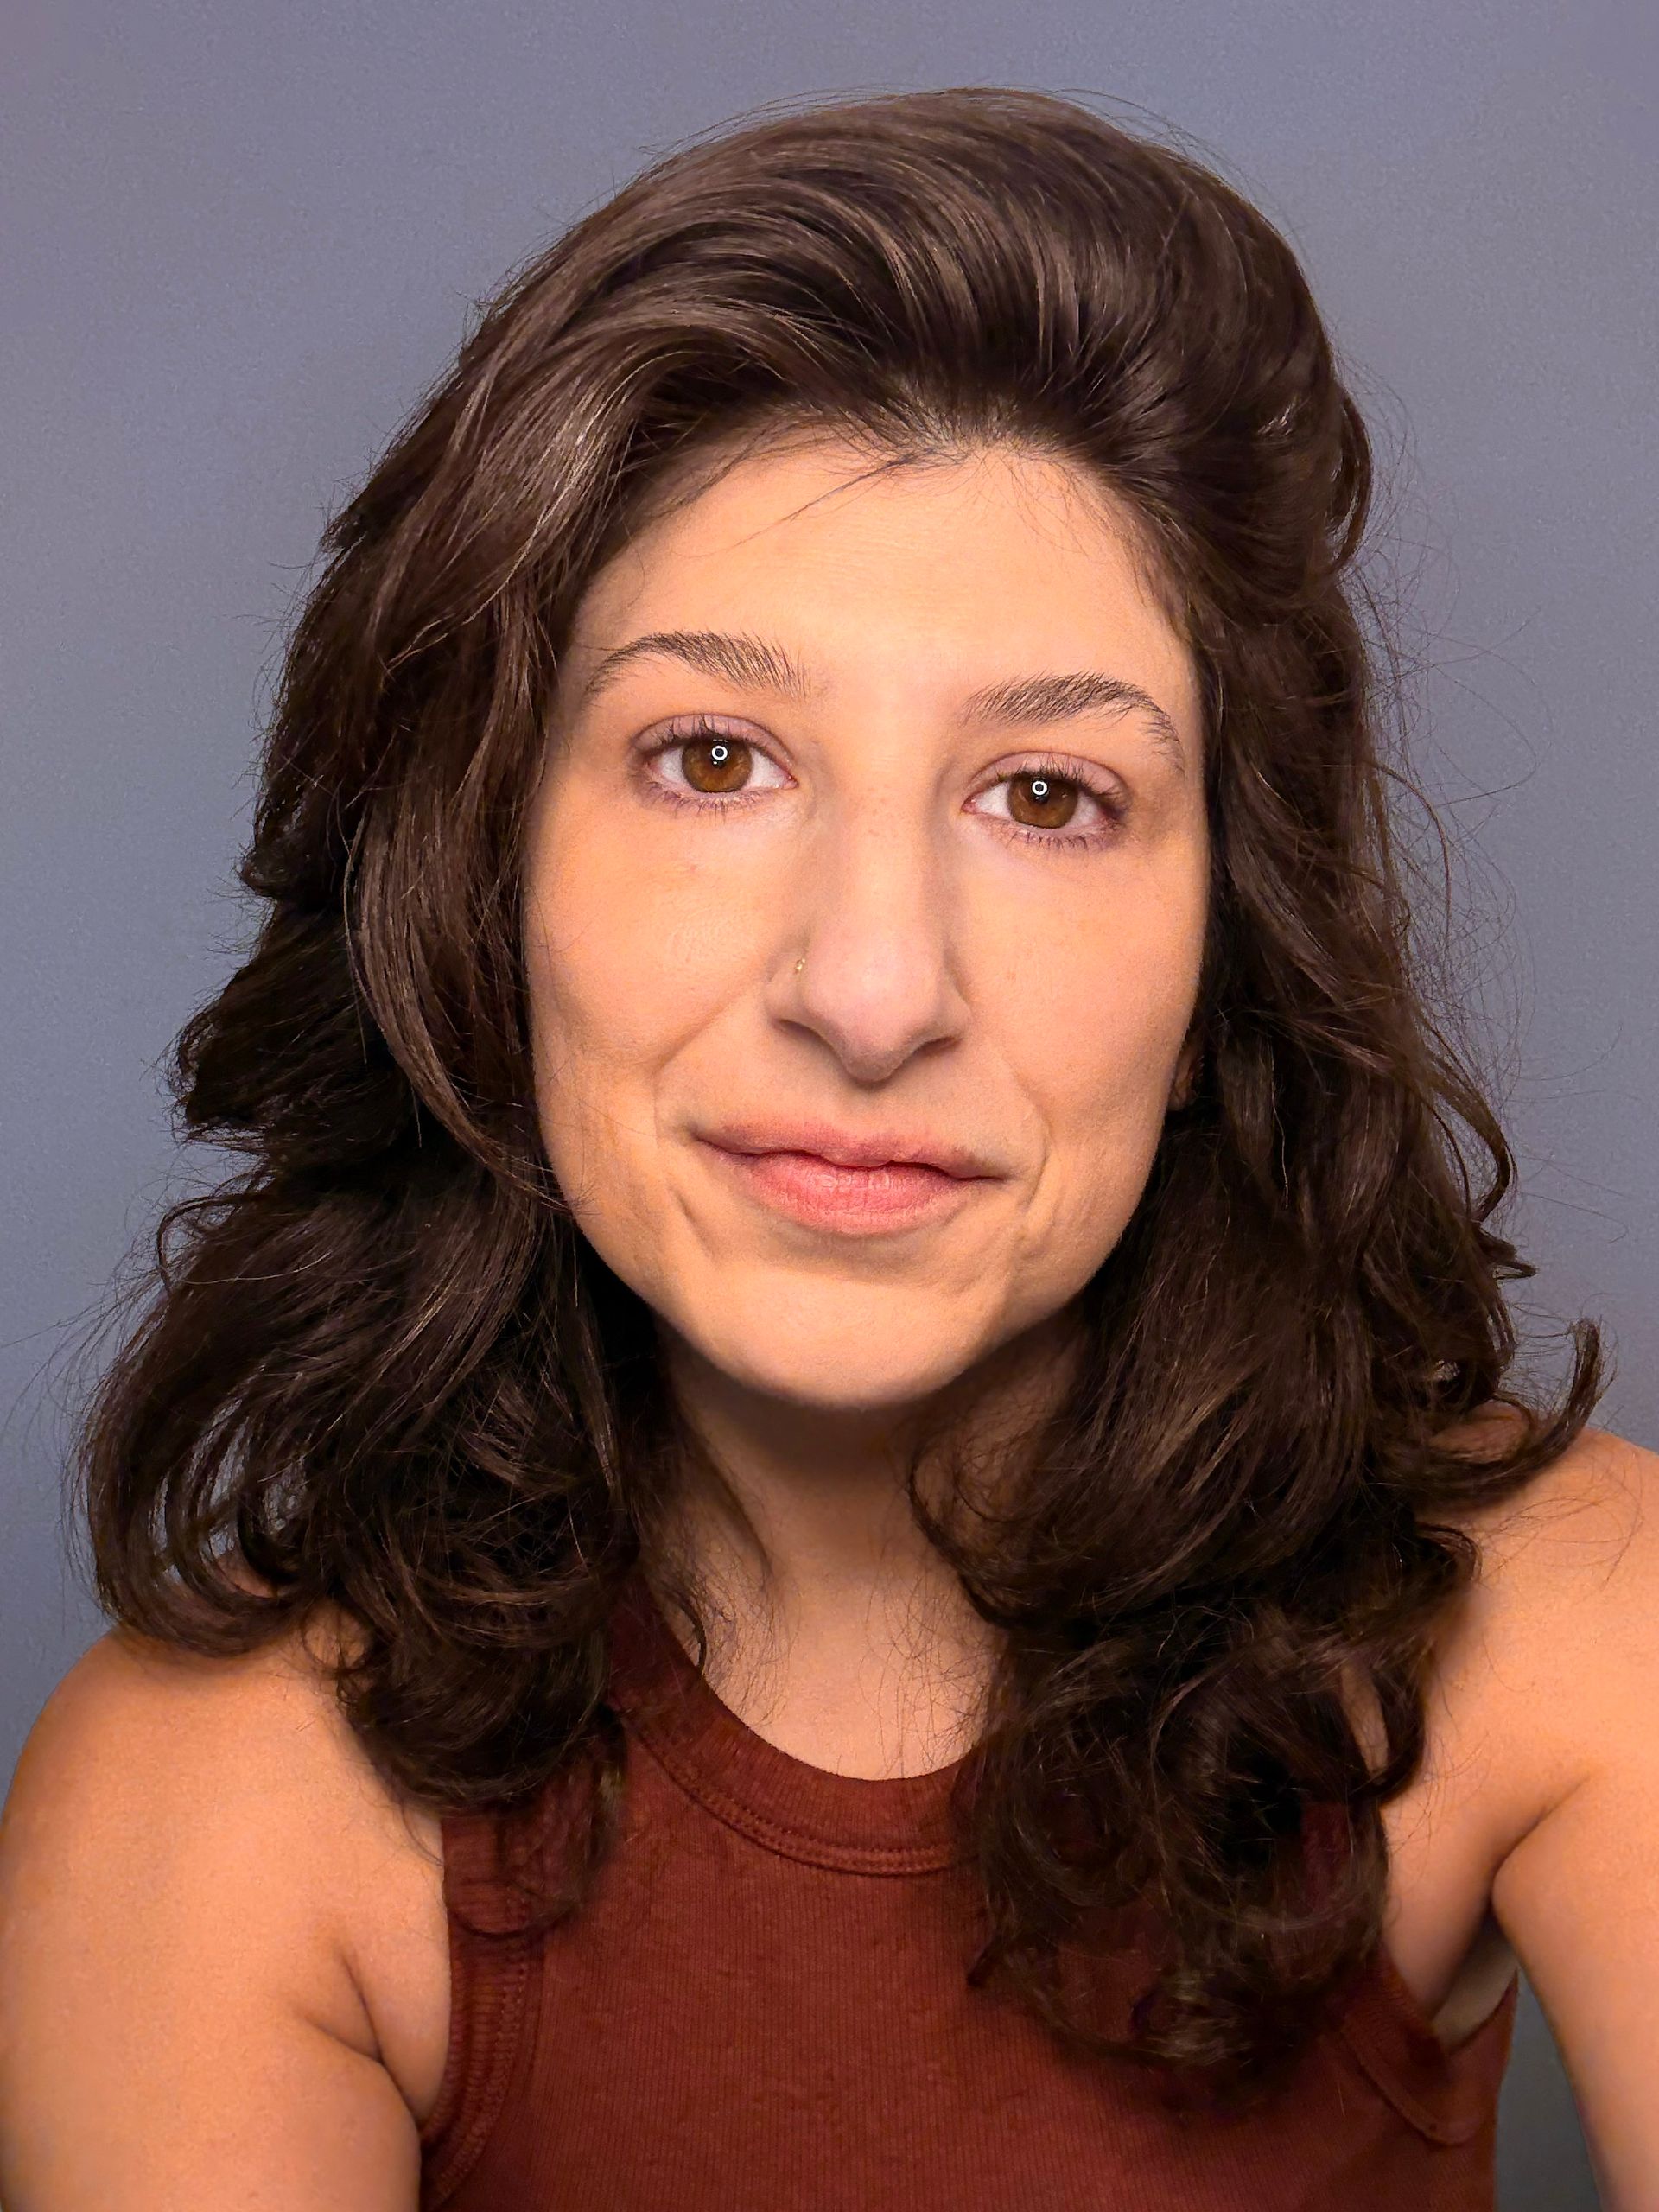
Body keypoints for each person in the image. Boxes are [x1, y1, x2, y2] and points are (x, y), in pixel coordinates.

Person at [0, 84, 1653, 2212]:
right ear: (482, 892)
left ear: (1223, 958)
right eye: (712, 756)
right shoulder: (214, 1804)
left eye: (1049, 796)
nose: (874, 993)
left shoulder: (1567, 1625)